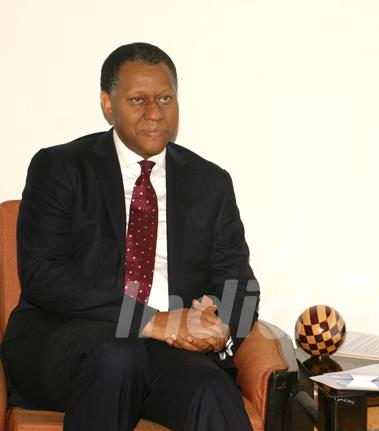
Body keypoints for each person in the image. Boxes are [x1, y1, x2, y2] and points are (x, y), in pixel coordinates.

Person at [1, 42, 258, 430]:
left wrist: (218, 327)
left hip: (162, 350)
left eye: (165, 98)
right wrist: (151, 320)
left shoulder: (210, 183)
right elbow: (44, 275)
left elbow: (239, 282)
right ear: (108, 103)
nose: (155, 113)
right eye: (138, 99)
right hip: (66, 343)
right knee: (119, 355)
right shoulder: (60, 167)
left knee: (212, 390)